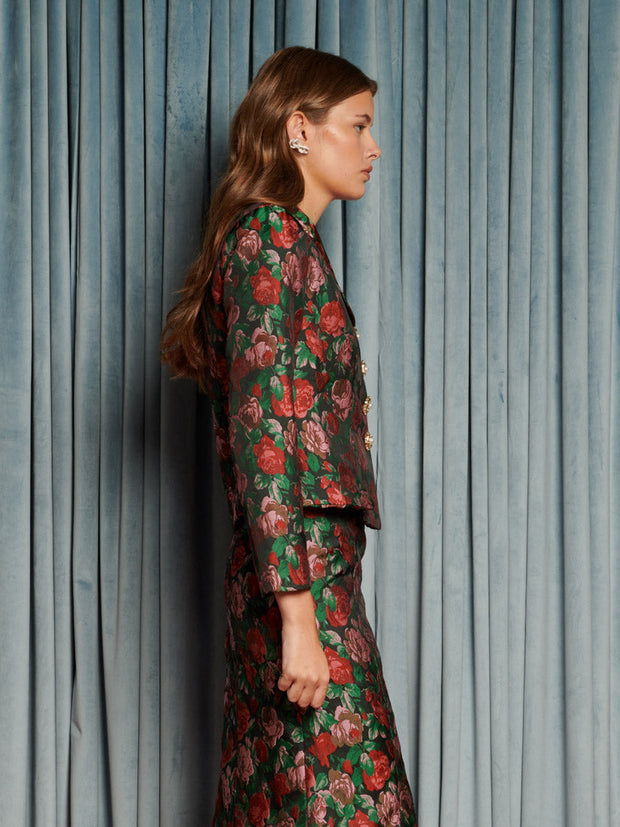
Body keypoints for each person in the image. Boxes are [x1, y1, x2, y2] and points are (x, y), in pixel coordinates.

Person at [161, 46, 416, 826]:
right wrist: (300, 619)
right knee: (358, 800)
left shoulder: (288, 246)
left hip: (306, 574)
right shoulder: (267, 242)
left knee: (287, 802)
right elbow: (265, 435)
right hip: (299, 583)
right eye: (358, 125)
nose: (374, 147)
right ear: (299, 130)